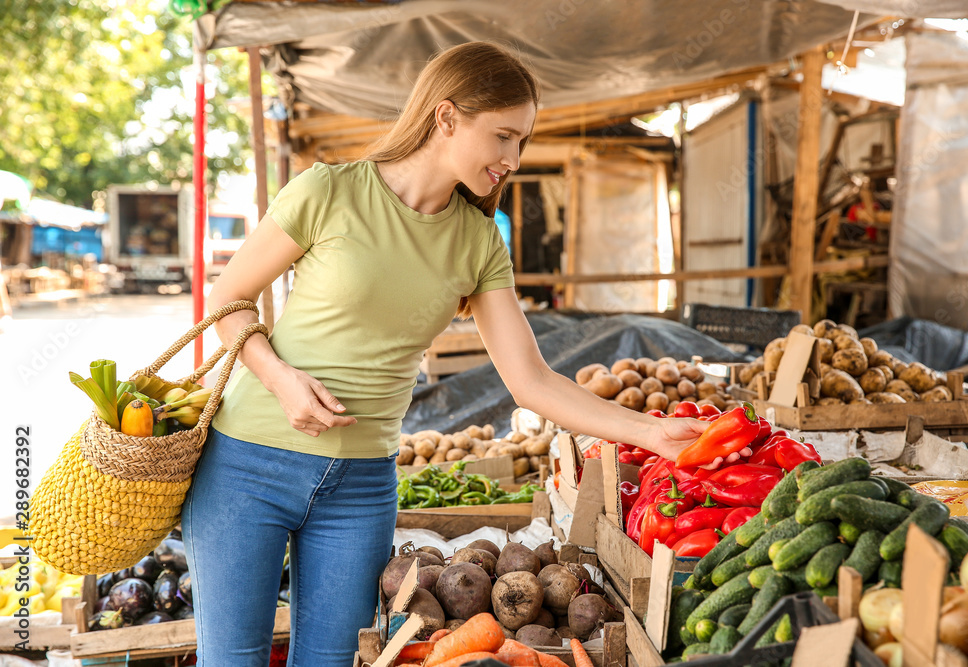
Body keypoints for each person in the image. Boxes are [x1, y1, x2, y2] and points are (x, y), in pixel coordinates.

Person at [183, 41, 732, 667]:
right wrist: (278, 377)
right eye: (503, 136)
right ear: (445, 117)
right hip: (248, 462)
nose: (514, 159)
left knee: (334, 661)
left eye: (521, 141)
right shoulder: (329, 191)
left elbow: (532, 382)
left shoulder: (477, 242)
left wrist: (651, 433)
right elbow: (227, 298)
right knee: (232, 659)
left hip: (359, 484)